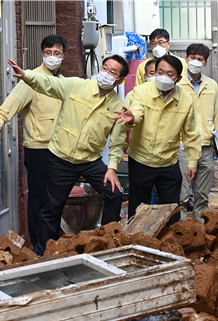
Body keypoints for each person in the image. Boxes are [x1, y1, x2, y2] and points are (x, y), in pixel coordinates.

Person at [8, 55, 129, 256]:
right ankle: (43, 252)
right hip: (61, 158)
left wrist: (112, 168)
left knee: (114, 193)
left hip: (90, 160)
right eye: (105, 68)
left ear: (120, 80)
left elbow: (117, 143)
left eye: (112, 72)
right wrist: (27, 76)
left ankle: (106, 242)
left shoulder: (118, 106)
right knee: (52, 207)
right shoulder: (76, 85)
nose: (106, 74)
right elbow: (49, 83)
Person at [0, 35, 67, 248]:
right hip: (39, 150)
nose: (52, 57)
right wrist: (0, 120)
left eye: (57, 53)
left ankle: (51, 242)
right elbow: (11, 103)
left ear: (64, 56)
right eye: (48, 53)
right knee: (39, 200)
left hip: (60, 151)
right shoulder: (31, 79)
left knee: (55, 200)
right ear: (42, 53)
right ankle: (38, 246)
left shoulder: (63, 83)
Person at [115, 55, 201, 225]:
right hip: (141, 159)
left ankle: (170, 242)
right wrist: (132, 118)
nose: (163, 77)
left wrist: (192, 161)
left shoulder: (185, 99)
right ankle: (137, 241)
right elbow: (136, 111)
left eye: (169, 74)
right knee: (138, 209)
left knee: (172, 208)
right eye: (160, 72)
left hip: (168, 161)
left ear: (178, 78)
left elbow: (191, 132)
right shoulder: (141, 92)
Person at [177, 43, 218, 222]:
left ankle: (200, 229)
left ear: (205, 63)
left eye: (200, 59)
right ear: (186, 59)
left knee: (202, 194)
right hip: (182, 145)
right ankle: (181, 231)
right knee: (181, 194)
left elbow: (217, 112)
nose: (195, 62)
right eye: (193, 58)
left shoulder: (211, 85)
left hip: (205, 144)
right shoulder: (177, 84)